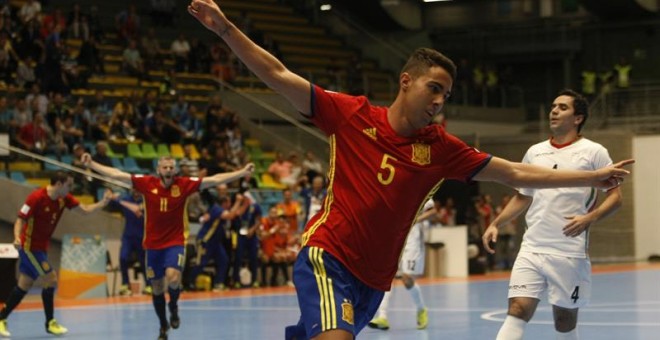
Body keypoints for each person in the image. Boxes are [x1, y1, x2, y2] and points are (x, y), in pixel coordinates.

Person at [188, 3, 633, 339]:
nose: (440, 101)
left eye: (447, 94)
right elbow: (278, 74)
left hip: (374, 280)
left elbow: (517, 174)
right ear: (407, 81)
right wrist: (225, 29)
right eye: (433, 88)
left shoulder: (440, 148)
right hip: (329, 257)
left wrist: (590, 178)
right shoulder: (351, 115)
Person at [482, 89, 624, 340]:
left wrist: (589, 218)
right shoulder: (535, 152)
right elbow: (524, 195)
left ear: (578, 118)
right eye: (553, 106)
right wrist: (496, 222)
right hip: (532, 248)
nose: (554, 111)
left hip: (568, 252)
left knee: (564, 322)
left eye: (562, 107)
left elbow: (615, 198)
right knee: (517, 310)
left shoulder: (594, 152)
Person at [81, 153, 254, 340]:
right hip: (153, 245)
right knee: (156, 288)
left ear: (176, 170)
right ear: (158, 170)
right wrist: (92, 164)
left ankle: (174, 306)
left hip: (175, 242)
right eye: (165, 167)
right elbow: (116, 174)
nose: (169, 170)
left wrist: (241, 172)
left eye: (172, 167)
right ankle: (163, 325)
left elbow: (214, 180)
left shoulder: (184, 185)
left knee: (172, 276)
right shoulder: (147, 184)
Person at [0, 171, 112, 338]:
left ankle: (1, 318)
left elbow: (86, 210)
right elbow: (20, 219)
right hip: (29, 248)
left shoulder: (63, 199)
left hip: (41, 248)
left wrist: (103, 202)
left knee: (24, 285)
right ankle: (50, 322)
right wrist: (16, 236)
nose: (71, 188)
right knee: (51, 279)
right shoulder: (36, 197)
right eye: (69, 185)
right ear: (59, 184)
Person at [368, 198, 437, 331]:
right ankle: (382, 317)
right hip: (395, 237)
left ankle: (421, 309)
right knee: (387, 277)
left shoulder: (421, 187)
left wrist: (415, 220)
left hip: (413, 240)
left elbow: (433, 211)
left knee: (407, 279)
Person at [109, 190, 152, 296]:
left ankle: (149, 285)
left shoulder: (147, 200)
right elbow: (111, 204)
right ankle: (125, 284)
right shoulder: (125, 199)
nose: (136, 191)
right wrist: (110, 196)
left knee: (144, 262)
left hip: (142, 237)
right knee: (123, 257)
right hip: (128, 236)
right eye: (134, 188)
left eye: (138, 188)